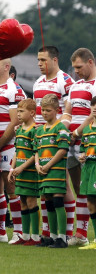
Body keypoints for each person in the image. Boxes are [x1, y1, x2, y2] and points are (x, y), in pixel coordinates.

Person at [0, 55, 26, 243]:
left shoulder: (13, 89)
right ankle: (0, 231)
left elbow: (16, 121)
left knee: (12, 188)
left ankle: (19, 231)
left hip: (9, 145)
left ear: (6, 67)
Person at [33, 45, 73, 241]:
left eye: (43, 60)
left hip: (60, 139)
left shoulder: (66, 81)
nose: (40, 64)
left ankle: (67, 234)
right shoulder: (38, 82)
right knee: (46, 193)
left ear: (55, 60)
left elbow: (69, 110)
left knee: (63, 187)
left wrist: (58, 129)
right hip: (42, 140)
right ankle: (49, 232)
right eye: (38, 60)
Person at [65, 47, 96, 245]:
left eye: (79, 67)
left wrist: (76, 133)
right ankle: (81, 235)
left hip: (87, 144)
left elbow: (93, 116)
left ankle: (82, 234)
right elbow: (68, 112)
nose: (76, 71)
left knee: (89, 190)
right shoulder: (75, 86)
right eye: (74, 67)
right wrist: (64, 129)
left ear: (90, 62)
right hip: (71, 143)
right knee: (78, 188)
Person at [35, 94, 71, 248]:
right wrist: (37, 165)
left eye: (48, 110)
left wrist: (48, 165)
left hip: (55, 170)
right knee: (48, 202)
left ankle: (62, 238)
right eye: (42, 110)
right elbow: (36, 150)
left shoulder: (60, 128)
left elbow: (62, 150)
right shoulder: (40, 130)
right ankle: (52, 236)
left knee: (57, 200)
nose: (44, 113)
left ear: (57, 110)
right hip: (42, 170)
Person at [8, 98, 41, 245]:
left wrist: (22, 167)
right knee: (22, 202)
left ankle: (35, 236)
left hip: (30, 172)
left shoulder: (35, 130)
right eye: (18, 111)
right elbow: (17, 151)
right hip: (19, 172)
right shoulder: (20, 129)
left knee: (31, 201)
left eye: (22, 111)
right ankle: (25, 235)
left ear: (32, 113)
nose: (18, 114)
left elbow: (36, 153)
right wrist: (12, 168)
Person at [73, 96, 96, 250]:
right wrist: (82, 156)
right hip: (88, 169)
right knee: (90, 203)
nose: (94, 109)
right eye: (93, 106)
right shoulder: (87, 128)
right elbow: (83, 148)